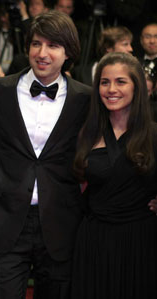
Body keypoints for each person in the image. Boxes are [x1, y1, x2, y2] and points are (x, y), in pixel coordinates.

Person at [0, 10, 91, 299]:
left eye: (53, 46)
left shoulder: (85, 98)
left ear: (68, 52)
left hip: (60, 223)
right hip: (5, 221)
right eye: (36, 44)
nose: (42, 53)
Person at [72, 52, 157, 298]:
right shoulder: (86, 133)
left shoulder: (153, 135)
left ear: (137, 87)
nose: (111, 89)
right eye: (104, 82)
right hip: (93, 242)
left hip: (140, 243)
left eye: (121, 81)